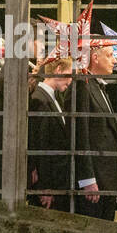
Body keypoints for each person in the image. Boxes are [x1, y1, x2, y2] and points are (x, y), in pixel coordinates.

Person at [28, 57, 84, 212]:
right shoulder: (39, 99)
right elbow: (41, 146)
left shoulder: (53, 97)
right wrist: (45, 187)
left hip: (58, 182)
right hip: (49, 187)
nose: (71, 80)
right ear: (58, 70)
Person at [73, 43, 117, 221]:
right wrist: (87, 179)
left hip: (106, 179)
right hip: (95, 182)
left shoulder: (99, 87)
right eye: (109, 55)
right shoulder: (83, 86)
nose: (114, 61)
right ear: (95, 58)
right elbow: (80, 134)